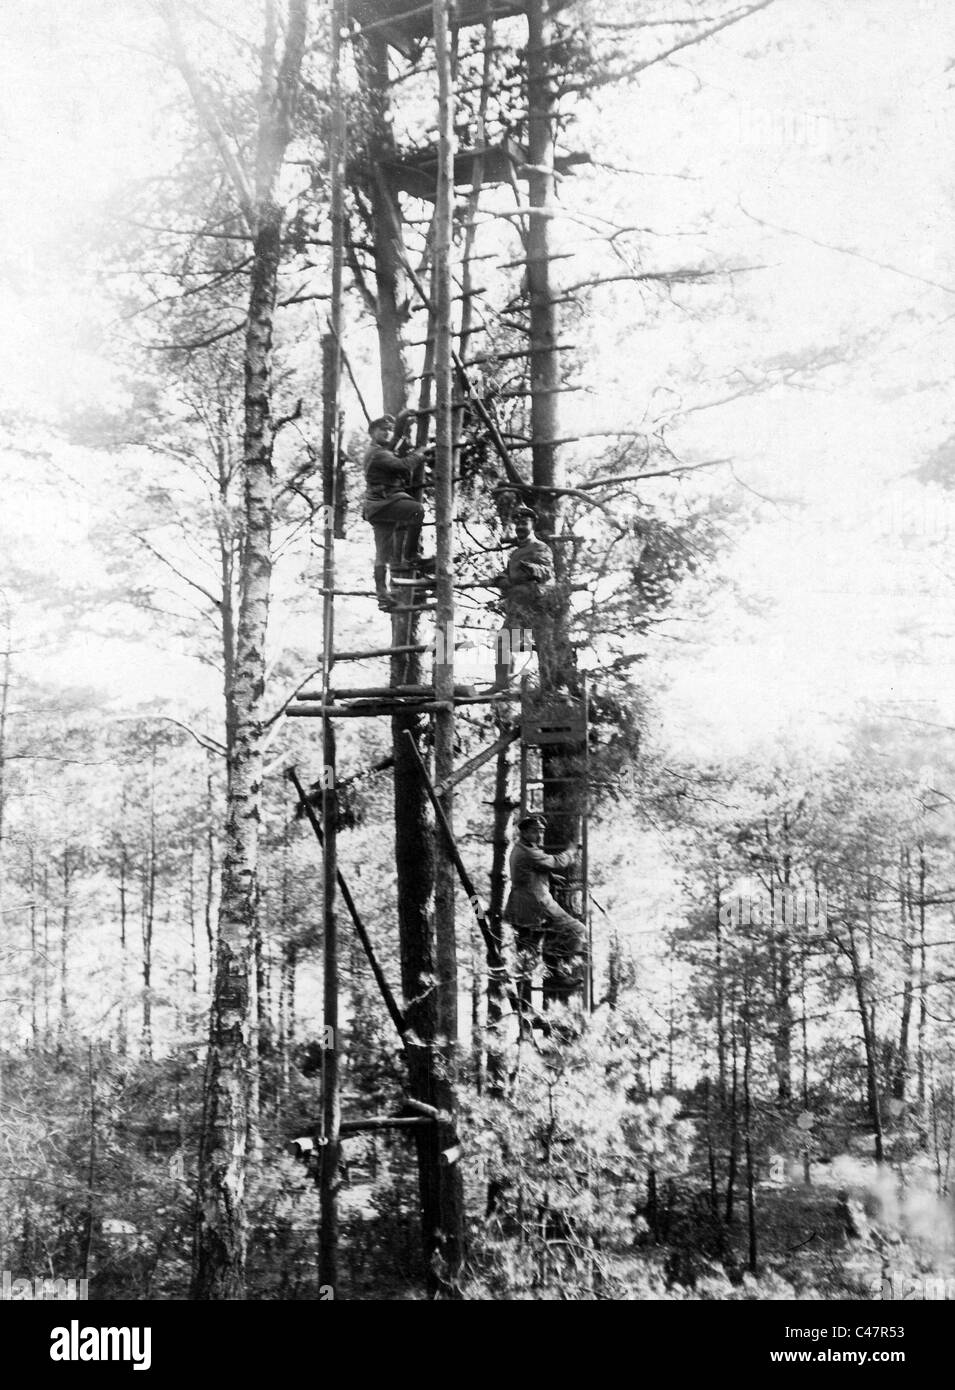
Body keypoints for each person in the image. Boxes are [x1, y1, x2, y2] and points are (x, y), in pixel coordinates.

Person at [505, 812, 586, 1005]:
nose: (539, 836)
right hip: (536, 903)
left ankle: (524, 1006)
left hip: (524, 905)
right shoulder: (527, 851)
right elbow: (556, 862)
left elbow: (529, 871)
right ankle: (560, 971)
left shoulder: (522, 848)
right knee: (577, 930)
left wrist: (547, 877)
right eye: (535, 831)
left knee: (528, 954)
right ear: (523, 831)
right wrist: (571, 851)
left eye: (541, 831)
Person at [362, 413, 431, 610]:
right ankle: (411, 555)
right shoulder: (379, 454)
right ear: (373, 433)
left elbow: (392, 445)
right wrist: (419, 454)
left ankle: (382, 594)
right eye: (382, 430)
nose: (387, 433)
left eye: (389, 430)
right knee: (416, 511)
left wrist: (401, 425)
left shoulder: (378, 450)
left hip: (377, 507)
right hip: (383, 503)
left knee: (382, 554)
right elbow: (402, 466)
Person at [488, 505, 556, 691]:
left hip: (536, 605)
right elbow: (506, 573)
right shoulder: (515, 554)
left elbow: (547, 571)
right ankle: (502, 684)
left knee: (544, 646)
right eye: (517, 523)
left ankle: (548, 687)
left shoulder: (541, 548)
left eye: (524, 523)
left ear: (532, 525)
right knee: (503, 642)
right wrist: (501, 579)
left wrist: (531, 569)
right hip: (517, 606)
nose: (519, 527)